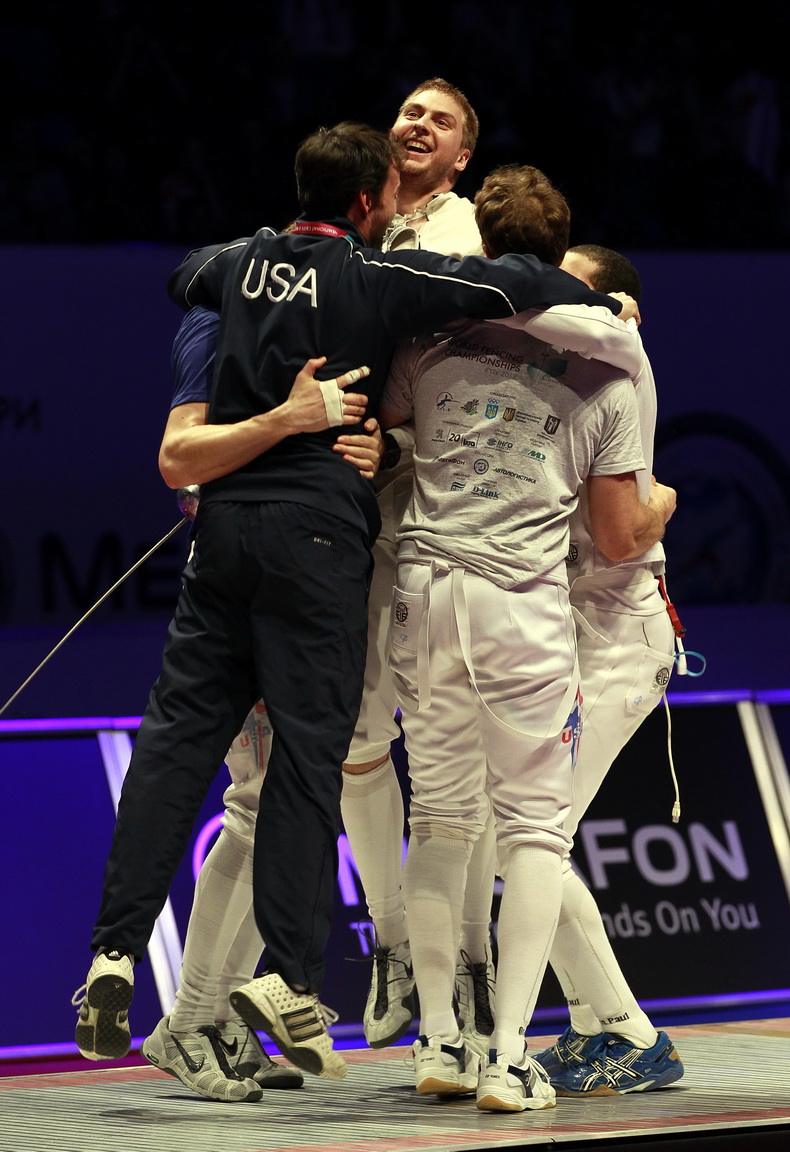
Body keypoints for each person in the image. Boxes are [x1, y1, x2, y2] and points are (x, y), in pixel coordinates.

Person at [74, 120, 630, 1083]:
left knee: (193, 753)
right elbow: (505, 288)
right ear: (371, 201)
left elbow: (187, 276)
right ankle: (295, 978)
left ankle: (119, 956)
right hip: (330, 549)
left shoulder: (239, 266)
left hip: (241, 553)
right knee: (313, 763)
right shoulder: (381, 280)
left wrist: (259, 263)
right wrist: (589, 299)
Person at [377, 164, 677, 1112]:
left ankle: (468, 1039)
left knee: (458, 829)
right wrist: (670, 496)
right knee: (526, 836)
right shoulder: (608, 352)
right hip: (532, 610)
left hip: (585, 624)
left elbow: (622, 540)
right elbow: (631, 515)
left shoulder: (431, 335)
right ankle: (505, 1047)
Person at [527, 244, 685, 1096]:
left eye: (569, 281)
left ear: (616, 304)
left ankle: (630, 1033)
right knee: (512, 835)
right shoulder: (549, 356)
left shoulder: (617, 364)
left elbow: (626, 533)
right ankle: (597, 1027)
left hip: (621, 637)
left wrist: (662, 503)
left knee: (529, 839)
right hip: (569, 633)